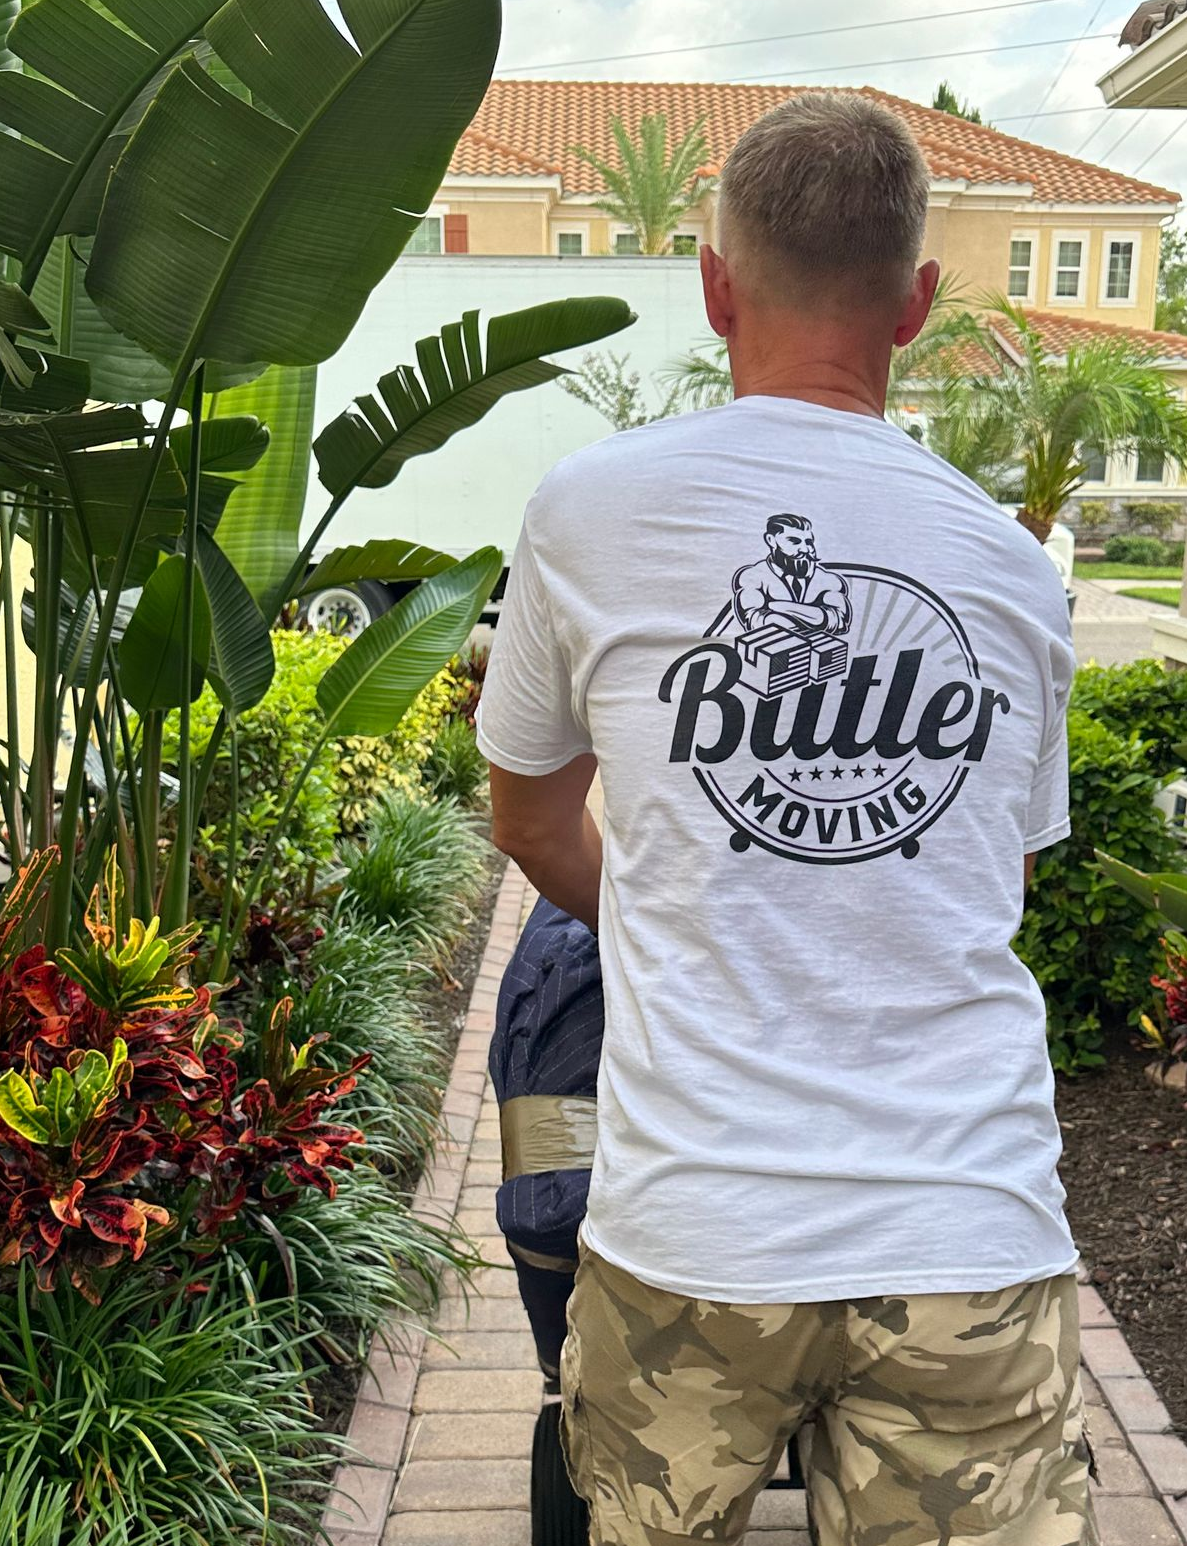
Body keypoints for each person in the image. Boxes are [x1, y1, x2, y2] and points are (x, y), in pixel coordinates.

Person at [476, 90, 1091, 1546]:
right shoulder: (1012, 572)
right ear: (919, 303)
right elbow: (974, 876)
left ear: (712, 287)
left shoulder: (590, 509)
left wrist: (680, 914)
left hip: (692, 1231)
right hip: (969, 1234)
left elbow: (530, 818)